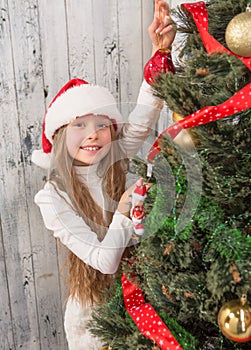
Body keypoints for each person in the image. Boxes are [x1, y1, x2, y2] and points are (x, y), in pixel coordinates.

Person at [32, 1, 176, 349]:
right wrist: (125, 208)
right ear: (61, 136)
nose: (92, 134)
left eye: (101, 125)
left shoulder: (113, 159)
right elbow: (104, 261)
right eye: (79, 125)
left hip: (138, 297)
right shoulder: (52, 197)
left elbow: (143, 116)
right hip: (94, 318)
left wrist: (161, 51)